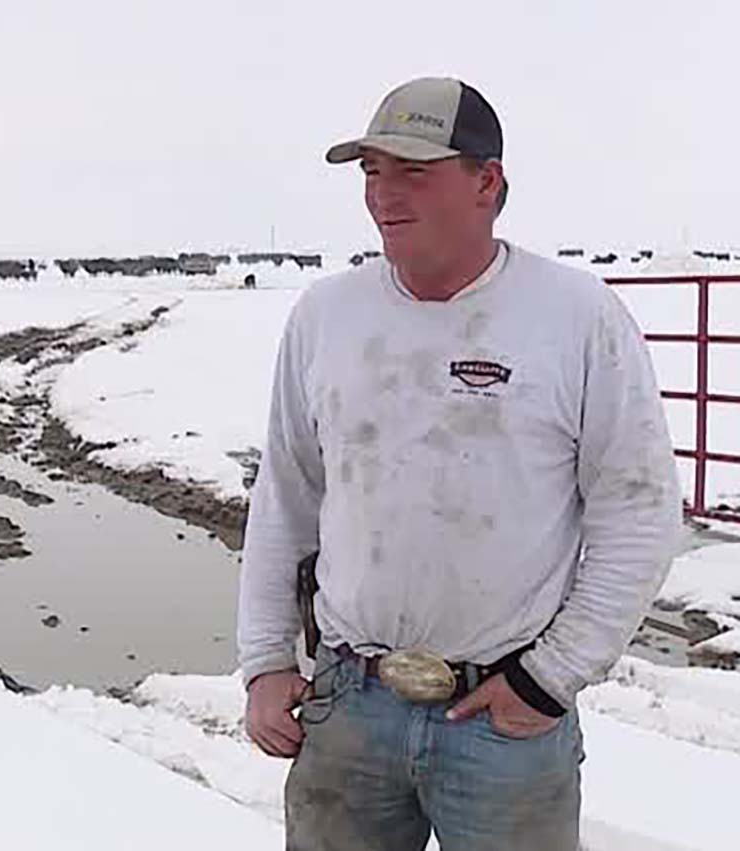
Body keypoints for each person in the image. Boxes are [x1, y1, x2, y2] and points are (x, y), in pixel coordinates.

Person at [236, 76, 682, 851]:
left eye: (413, 171)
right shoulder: (325, 316)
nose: (383, 196)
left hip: (503, 722)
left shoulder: (576, 318)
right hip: (348, 703)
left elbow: (638, 513)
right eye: (372, 172)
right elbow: (287, 497)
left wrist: (549, 679)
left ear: (488, 181)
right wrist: (266, 661)